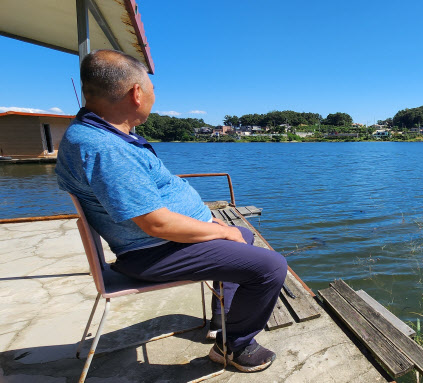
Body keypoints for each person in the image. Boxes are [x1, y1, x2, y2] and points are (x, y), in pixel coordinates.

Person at [55, 49, 287, 373]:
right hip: (153, 251)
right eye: (152, 91)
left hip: (156, 244)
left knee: (243, 236)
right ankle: (234, 346)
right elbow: (156, 224)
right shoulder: (106, 149)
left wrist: (211, 224)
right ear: (137, 93)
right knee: (271, 267)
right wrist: (220, 229)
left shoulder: (100, 135)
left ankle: (224, 322)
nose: (154, 98)